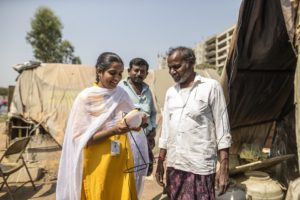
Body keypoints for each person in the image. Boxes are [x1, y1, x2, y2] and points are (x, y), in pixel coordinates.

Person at [56, 52, 149, 200]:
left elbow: (130, 121)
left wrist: (140, 120)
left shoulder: (121, 94)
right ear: (99, 71)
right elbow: (80, 139)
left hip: (121, 161)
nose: (117, 78)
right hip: (98, 164)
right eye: (112, 73)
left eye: (120, 73)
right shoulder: (86, 98)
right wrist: (113, 130)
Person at [155, 46, 232, 199]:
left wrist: (223, 167)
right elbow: (166, 131)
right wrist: (160, 162)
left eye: (176, 66)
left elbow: (223, 129)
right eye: (170, 67)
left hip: (200, 167)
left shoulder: (211, 87)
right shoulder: (171, 93)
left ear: (190, 63)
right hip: (175, 165)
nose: (172, 71)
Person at [119, 58, 156, 196]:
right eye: (136, 70)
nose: (139, 73)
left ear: (146, 74)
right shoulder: (120, 88)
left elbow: (152, 113)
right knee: (125, 173)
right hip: (125, 139)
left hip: (143, 139)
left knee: (141, 173)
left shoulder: (147, 90)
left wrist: (152, 130)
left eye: (142, 71)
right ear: (129, 71)